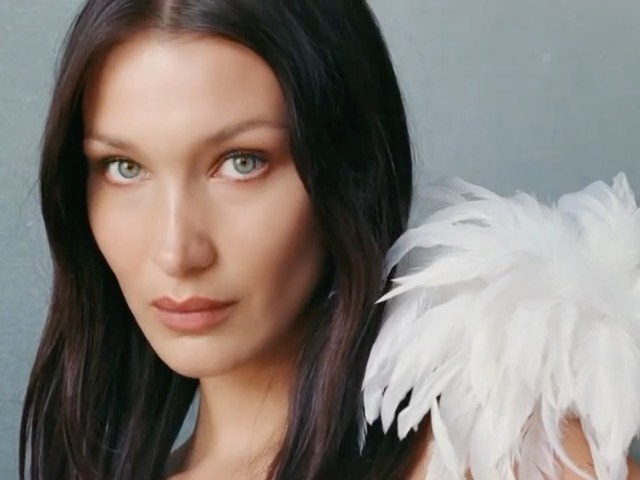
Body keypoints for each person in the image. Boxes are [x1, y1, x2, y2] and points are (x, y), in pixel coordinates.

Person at [17, 1, 640, 479]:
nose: (177, 251)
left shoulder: (505, 460)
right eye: (124, 168)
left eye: (242, 162)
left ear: (350, 171)